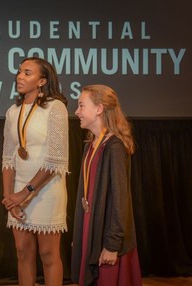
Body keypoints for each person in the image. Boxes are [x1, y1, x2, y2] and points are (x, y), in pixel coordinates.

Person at [1, 57, 69, 286]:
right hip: (18, 193)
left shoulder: (55, 108)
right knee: (22, 252)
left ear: (42, 81)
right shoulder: (13, 111)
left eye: (27, 73)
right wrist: (10, 198)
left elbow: (55, 159)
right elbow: (8, 159)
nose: (20, 76)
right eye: (19, 71)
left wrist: (25, 193)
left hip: (46, 191)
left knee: (48, 256)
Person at [71, 84, 142, 286]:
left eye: (81, 105)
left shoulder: (114, 146)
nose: (77, 112)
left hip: (108, 239)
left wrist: (112, 244)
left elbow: (121, 200)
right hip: (92, 230)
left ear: (99, 109)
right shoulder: (91, 145)